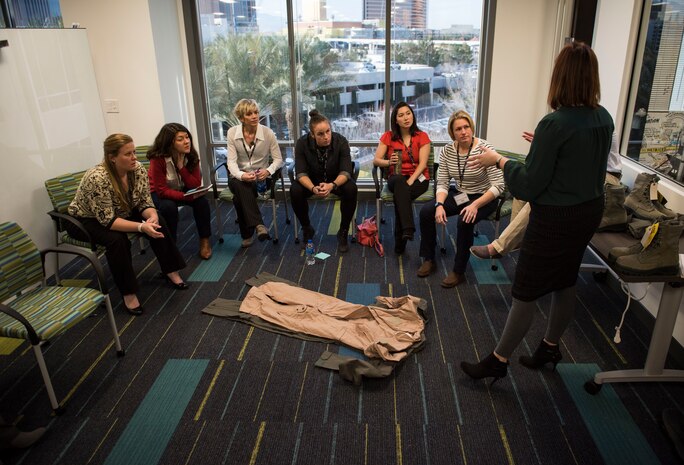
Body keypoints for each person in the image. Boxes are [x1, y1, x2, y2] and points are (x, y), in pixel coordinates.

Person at [460, 41, 614, 383]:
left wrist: (498, 159)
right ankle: (549, 346)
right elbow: (578, 166)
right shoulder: (604, 118)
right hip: (588, 212)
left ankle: (498, 361)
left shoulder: (554, 124)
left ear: (560, 76)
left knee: (525, 290)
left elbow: (528, 186)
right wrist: (542, 149)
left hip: (555, 219)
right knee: (565, 280)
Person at [67, 134, 189, 316]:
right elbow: (107, 220)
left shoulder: (137, 169)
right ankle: (128, 292)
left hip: (121, 211)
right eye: (128, 154)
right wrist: (141, 227)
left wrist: (152, 217)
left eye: (134, 152)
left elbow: (144, 201)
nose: (134, 157)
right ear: (112, 157)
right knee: (117, 240)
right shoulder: (97, 178)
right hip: (86, 220)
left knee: (160, 221)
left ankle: (170, 270)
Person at [469, 130, 622, 260]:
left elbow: (581, 160)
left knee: (540, 199)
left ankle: (500, 246)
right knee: (523, 190)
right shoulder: (579, 121)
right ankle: (516, 239)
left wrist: (550, 145)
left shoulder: (595, 124)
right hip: (581, 176)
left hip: (605, 178)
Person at [416, 110, 504, 288]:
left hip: (485, 197)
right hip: (463, 195)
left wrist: (475, 205)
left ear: (471, 128)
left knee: (465, 220)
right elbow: (442, 181)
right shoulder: (448, 150)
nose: (463, 131)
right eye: (458, 129)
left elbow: (498, 186)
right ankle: (428, 258)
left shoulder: (485, 149)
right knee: (427, 211)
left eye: (466, 127)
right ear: (452, 133)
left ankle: (459, 271)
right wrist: (440, 204)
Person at [290, 109, 358, 253]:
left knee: (351, 188)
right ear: (312, 135)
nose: (326, 137)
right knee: (295, 189)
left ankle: (343, 230)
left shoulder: (341, 141)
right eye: (320, 134)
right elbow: (301, 173)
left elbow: (346, 171)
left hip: (335, 181)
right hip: (312, 182)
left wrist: (332, 185)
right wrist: (313, 188)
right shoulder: (302, 143)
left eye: (328, 131)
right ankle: (307, 228)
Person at [147, 123, 213, 259]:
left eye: (187, 137)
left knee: (202, 203)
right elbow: (161, 191)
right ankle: (171, 245)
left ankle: (205, 241)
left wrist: (181, 167)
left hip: (182, 189)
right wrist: (185, 197)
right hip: (160, 193)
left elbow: (194, 184)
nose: (187, 141)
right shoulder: (158, 159)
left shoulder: (191, 155)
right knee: (168, 207)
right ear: (170, 143)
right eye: (180, 139)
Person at [372, 102, 431, 254]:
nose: (406, 118)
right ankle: (408, 228)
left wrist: (411, 180)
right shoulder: (388, 136)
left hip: (418, 179)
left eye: (408, 113)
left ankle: (402, 239)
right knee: (399, 183)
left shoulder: (422, 136)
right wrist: (388, 162)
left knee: (401, 197)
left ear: (413, 115)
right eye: (401, 115)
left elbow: (423, 163)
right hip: (396, 178)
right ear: (395, 120)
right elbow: (376, 160)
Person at [226, 99, 284, 248]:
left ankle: (246, 234)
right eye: (249, 113)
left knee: (239, 197)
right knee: (240, 184)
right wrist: (241, 175)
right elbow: (231, 162)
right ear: (241, 118)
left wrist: (268, 171)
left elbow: (278, 160)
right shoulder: (232, 133)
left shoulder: (267, 133)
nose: (254, 116)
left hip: (261, 178)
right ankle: (259, 224)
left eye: (256, 112)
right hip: (239, 177)